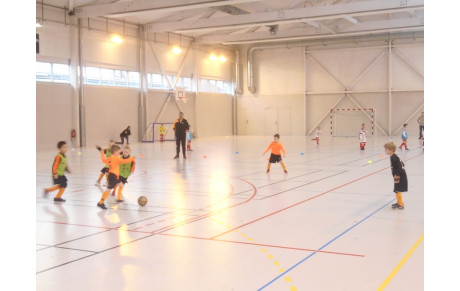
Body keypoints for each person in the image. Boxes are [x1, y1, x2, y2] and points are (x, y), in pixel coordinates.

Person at [96, 144, 135, 209]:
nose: (120, 153)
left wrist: (102, 153)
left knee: (121, 185)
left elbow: (103, 160)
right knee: (108, 190)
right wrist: (132, 158)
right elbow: (125, 161)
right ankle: (100, 203)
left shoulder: (110, 158)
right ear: (115, 152)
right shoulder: (117, 158)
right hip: (113, 176)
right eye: (119, 152)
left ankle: (118, 197)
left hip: (115, 176)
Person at [384, 142, 408, 210]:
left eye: (386, 149)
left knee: (397, 189)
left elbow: (400, 166)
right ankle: (399, 202)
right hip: (398, 175)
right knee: (397, 189)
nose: (385, 151)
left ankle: (400, 204)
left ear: (391, 150)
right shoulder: (393, 156)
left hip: (399, 176)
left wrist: (396, 175)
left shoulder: (394, 157)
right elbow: (403, 164)